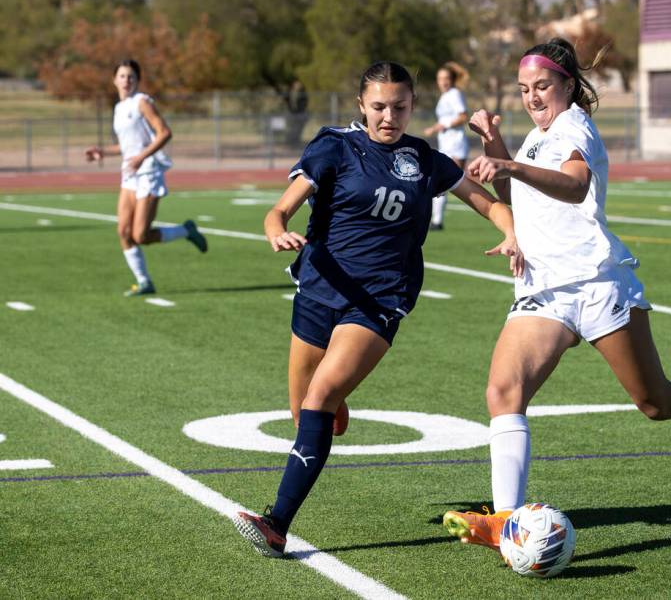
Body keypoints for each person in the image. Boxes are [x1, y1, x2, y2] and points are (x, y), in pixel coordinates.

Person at [442, 38, 671, 554]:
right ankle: (505, 521)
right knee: (504, 392)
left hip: (595, 283)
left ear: (568, 84)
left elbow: (572, 185)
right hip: (544, 290)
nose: (532, 98)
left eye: (542, 86)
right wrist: (494, 144)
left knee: (655, 402)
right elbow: (513, 197)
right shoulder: (536, 138)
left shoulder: (575, 127)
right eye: (524, 89)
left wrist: (510, 165)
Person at [232, 61, 522, 557]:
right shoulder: (333, 147)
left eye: (401, 106)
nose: (390, 116)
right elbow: (278, 210)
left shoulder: (424, 159)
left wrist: (511, 230)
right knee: (304, 412)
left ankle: (277, 523)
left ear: (414, 105)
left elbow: (488, 203)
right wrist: (276, 230)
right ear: (361, 106)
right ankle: (333, 407)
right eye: (380, 106)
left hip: (382, 297)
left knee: (319, 398)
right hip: (319, 288)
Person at [85, 59, 207, 296]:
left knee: (140, 235)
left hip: (149, 171)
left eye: (131, 76)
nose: (126, 80)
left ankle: (186, 230)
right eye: (122, 76)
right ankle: (144, 282)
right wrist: (102, 152)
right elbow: (126, 146)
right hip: (130, 173)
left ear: (137, 80)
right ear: (114, 80)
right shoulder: (119, 108)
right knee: (123, 232)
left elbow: (164, 133)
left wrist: (142, 156)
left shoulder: (142, 102)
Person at [423, 62, 469, 230]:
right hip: (446, 144)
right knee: (441, 184)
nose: (443, 82)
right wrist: (436, 127)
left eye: (446, 78)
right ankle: (436, 221)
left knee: (448, 183)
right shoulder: (445, 96)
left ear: (452, 80)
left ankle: (437, 221)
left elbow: (463, 116)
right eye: (440, 78)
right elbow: (444, 120)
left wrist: (442, 126)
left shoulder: (454, 94)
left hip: (456, 144)